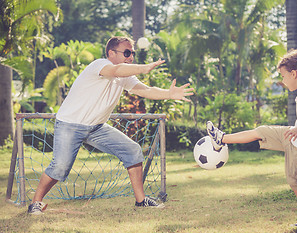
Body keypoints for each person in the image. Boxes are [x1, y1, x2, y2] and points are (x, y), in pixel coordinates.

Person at [28, 36, 194, 214]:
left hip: (97, 127)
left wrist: (169, 94)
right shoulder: (99, 65)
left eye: (133, 53)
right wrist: (144, 68)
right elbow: (116, 70)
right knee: (60, 167)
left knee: (132, 150)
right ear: (111, 53)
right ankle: (36, 202)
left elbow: (144, 90)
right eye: (127, 52)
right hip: (70, 124)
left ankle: (141, 201)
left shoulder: (124, 77)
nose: (131, 57)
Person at [206, 49, 297, 229]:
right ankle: (221, 138)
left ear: (294, 74)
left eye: (284, 76)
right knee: (261, 130)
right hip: (292, 137)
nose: (283, 80)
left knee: (295, 182)